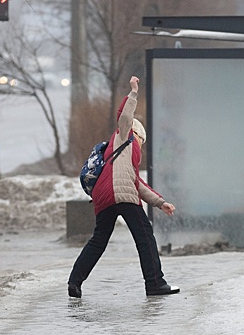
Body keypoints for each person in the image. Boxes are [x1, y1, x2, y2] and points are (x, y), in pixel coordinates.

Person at [68, 76, 179, 298]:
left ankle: (74, 282)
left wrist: (160, 202)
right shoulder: (124, 137)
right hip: (120, 196)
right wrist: (134, 92)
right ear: (137, 134)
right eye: (142, 141)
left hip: (103, 197)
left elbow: (137, 184)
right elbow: (125, 116)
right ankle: (155, 283)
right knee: (145, 235)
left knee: (98, 240)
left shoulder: (119, 154)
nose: (141, 146)